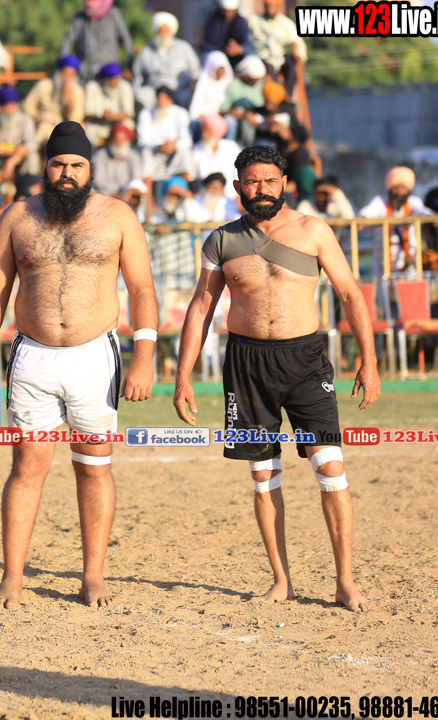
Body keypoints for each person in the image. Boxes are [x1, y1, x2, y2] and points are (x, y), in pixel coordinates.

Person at [172, 145, 379, 613]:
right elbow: (201, 308)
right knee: (263, 474)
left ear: (284, 183)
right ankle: (281, 580)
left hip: (305, 362)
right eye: (252, 181)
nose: (261, 189)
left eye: (270, 180)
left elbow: (350, 294)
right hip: (246, 366)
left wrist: (369, 360)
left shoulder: (314, 231)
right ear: (238, 187)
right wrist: (183, 377)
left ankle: (345, 582)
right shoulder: (220, 240)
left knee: (330, 468)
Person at [0, 121, 158, 609]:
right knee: (27, 466)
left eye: (76, 165)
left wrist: (144, 359)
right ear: (45, 167)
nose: (67, 173)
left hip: (96, 356)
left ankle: (93, 576)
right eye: (58, 164)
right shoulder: (17, 216)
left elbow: (142, 289)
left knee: (94, 467)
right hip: (33, 355)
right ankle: (12, 578)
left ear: (90, 169)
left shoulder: (118, 216)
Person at [358, 166, 431, 275]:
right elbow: (368, 212)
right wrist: (362, 219)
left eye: (403, 188)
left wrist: (432, 217)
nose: (400, 193)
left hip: (409, 263)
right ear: (389, 188)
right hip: (383, 263)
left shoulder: (413, 202)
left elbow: (422, 211)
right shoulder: (380, 202)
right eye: (396, 188)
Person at [132, 12, 200, 110]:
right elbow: (137, 76)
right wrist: (137, 91)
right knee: (142, 96)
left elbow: (195, 72)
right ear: (155, 31)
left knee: (190, 96)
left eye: (166, 30)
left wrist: (192, 86)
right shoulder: (146, 51)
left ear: (171, 32)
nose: (163, 34)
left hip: (178, 89)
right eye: (160, 30)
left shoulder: (183, 48)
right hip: (154, 89)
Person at [59, 0, 133, 85]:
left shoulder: (113, 15)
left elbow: (127, 40)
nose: (88, 3)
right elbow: (67, 43)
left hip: (108, 75)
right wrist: (63, 65)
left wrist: (129, 66)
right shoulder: (79, 19)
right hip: (85, 73)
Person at [24, 55, 85, 146]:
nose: (66, 78)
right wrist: (36, 118)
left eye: (70, 75)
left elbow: (76, 118)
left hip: (63, 128)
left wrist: (69, 98)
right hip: (42, 123)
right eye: (65, 73)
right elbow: (28, 105)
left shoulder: (78, 91)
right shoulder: (44, 84)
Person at [250, 0, 306, 96]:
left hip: (279, 56)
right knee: (269, 72)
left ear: (277, 8)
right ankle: (282, 96)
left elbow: (297, 41)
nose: (270, 10)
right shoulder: (255, 21)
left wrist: (300, 57)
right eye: (268, 7)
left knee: (292, 68)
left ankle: (288, 95)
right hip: (262, 56)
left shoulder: (285, 23)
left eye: (273, 7)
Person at [137, 86, 193, 183]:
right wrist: (159, 146)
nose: (161, 102)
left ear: (171, 100)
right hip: (154, 153)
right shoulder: (145, 114)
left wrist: (174, 145)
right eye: (159, 99)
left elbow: (187, 140)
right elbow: (142, 141)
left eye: (164, 99)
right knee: (145, 153)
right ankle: (148, 191)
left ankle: (184, 188)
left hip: (174, 153)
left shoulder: (181, 113)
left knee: (185, 154)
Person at [0, 86, 36, 181]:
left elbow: (30, 144)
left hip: (19, 158)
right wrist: (11, 152)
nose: (9, 110)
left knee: (32, 157)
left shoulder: (26, 119)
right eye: (6, 107)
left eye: (12, 106)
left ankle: (28, 187)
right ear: (0, 107)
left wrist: (12, 160)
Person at [83, 62, 135, 147]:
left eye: (117, 79)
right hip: (98, 123)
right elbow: (88, 114)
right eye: (113, 80)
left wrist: (112, 116)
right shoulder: (92, 87)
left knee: (128, 124)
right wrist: (102, 117)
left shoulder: (125, 86)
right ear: (104, 80)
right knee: (85, 127)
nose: (116, 82)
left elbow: (129, 113)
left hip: (117, 124)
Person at [192, 113, 240, 198]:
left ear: (217, 132)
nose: (204, 135)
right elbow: (193, 177)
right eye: (203, 130)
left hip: (231, 197)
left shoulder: (231, 147)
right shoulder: (197, 149)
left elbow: (239, 175)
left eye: (208, 131)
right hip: (205, 197)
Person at [90, 123, 141, 198]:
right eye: (116, 140)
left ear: (128, 141)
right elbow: (97, 180)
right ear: (111, 140)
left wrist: (127, 193)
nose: (119, 143)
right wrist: (113, 194)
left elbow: (136, 179)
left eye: (122, 140)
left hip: (128, 196)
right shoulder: (101, 155)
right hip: (105, 195)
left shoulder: (134, 157)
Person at [200, 0, 252, 70]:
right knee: (219, 62)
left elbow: (250, 46)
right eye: (225, 11)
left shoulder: (242, 22)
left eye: (230, 11)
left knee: (254, 66)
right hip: (218, 57)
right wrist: (223, 50)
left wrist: (239, 49)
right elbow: (206, 44)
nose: (227, 14)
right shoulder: (212, 20)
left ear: (236, 10)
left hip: (238, 59)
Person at [189, 52, 234, 124]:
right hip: (206, 120)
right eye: (217, 69)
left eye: (222, 69)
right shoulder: (203, 83)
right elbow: (196, 109)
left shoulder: (229, 83)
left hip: (222, 118)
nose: (220, 72)